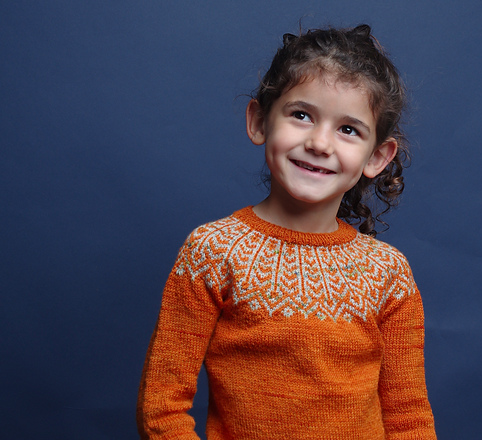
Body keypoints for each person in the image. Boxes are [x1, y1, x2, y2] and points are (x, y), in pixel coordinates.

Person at [137, 24, 437, 440]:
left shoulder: (388, 272)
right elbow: (161, 409)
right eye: (301, 115)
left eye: (348, 129)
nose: (320, 143)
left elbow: (409, 418)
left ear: (377, 157)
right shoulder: (212, 250)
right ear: (260, 121)